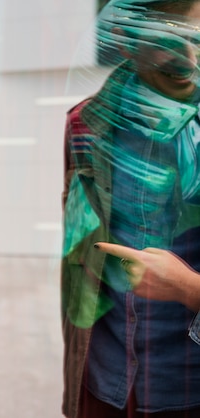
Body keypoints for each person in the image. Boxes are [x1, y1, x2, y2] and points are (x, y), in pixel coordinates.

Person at [62, 1, 200, 417]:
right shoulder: (85, 125)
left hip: (187, 387)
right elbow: (77, 271)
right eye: (170, 37)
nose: (189, 57)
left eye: (195, 36)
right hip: (105, 386)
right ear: (124, 38)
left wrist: (188, 288)